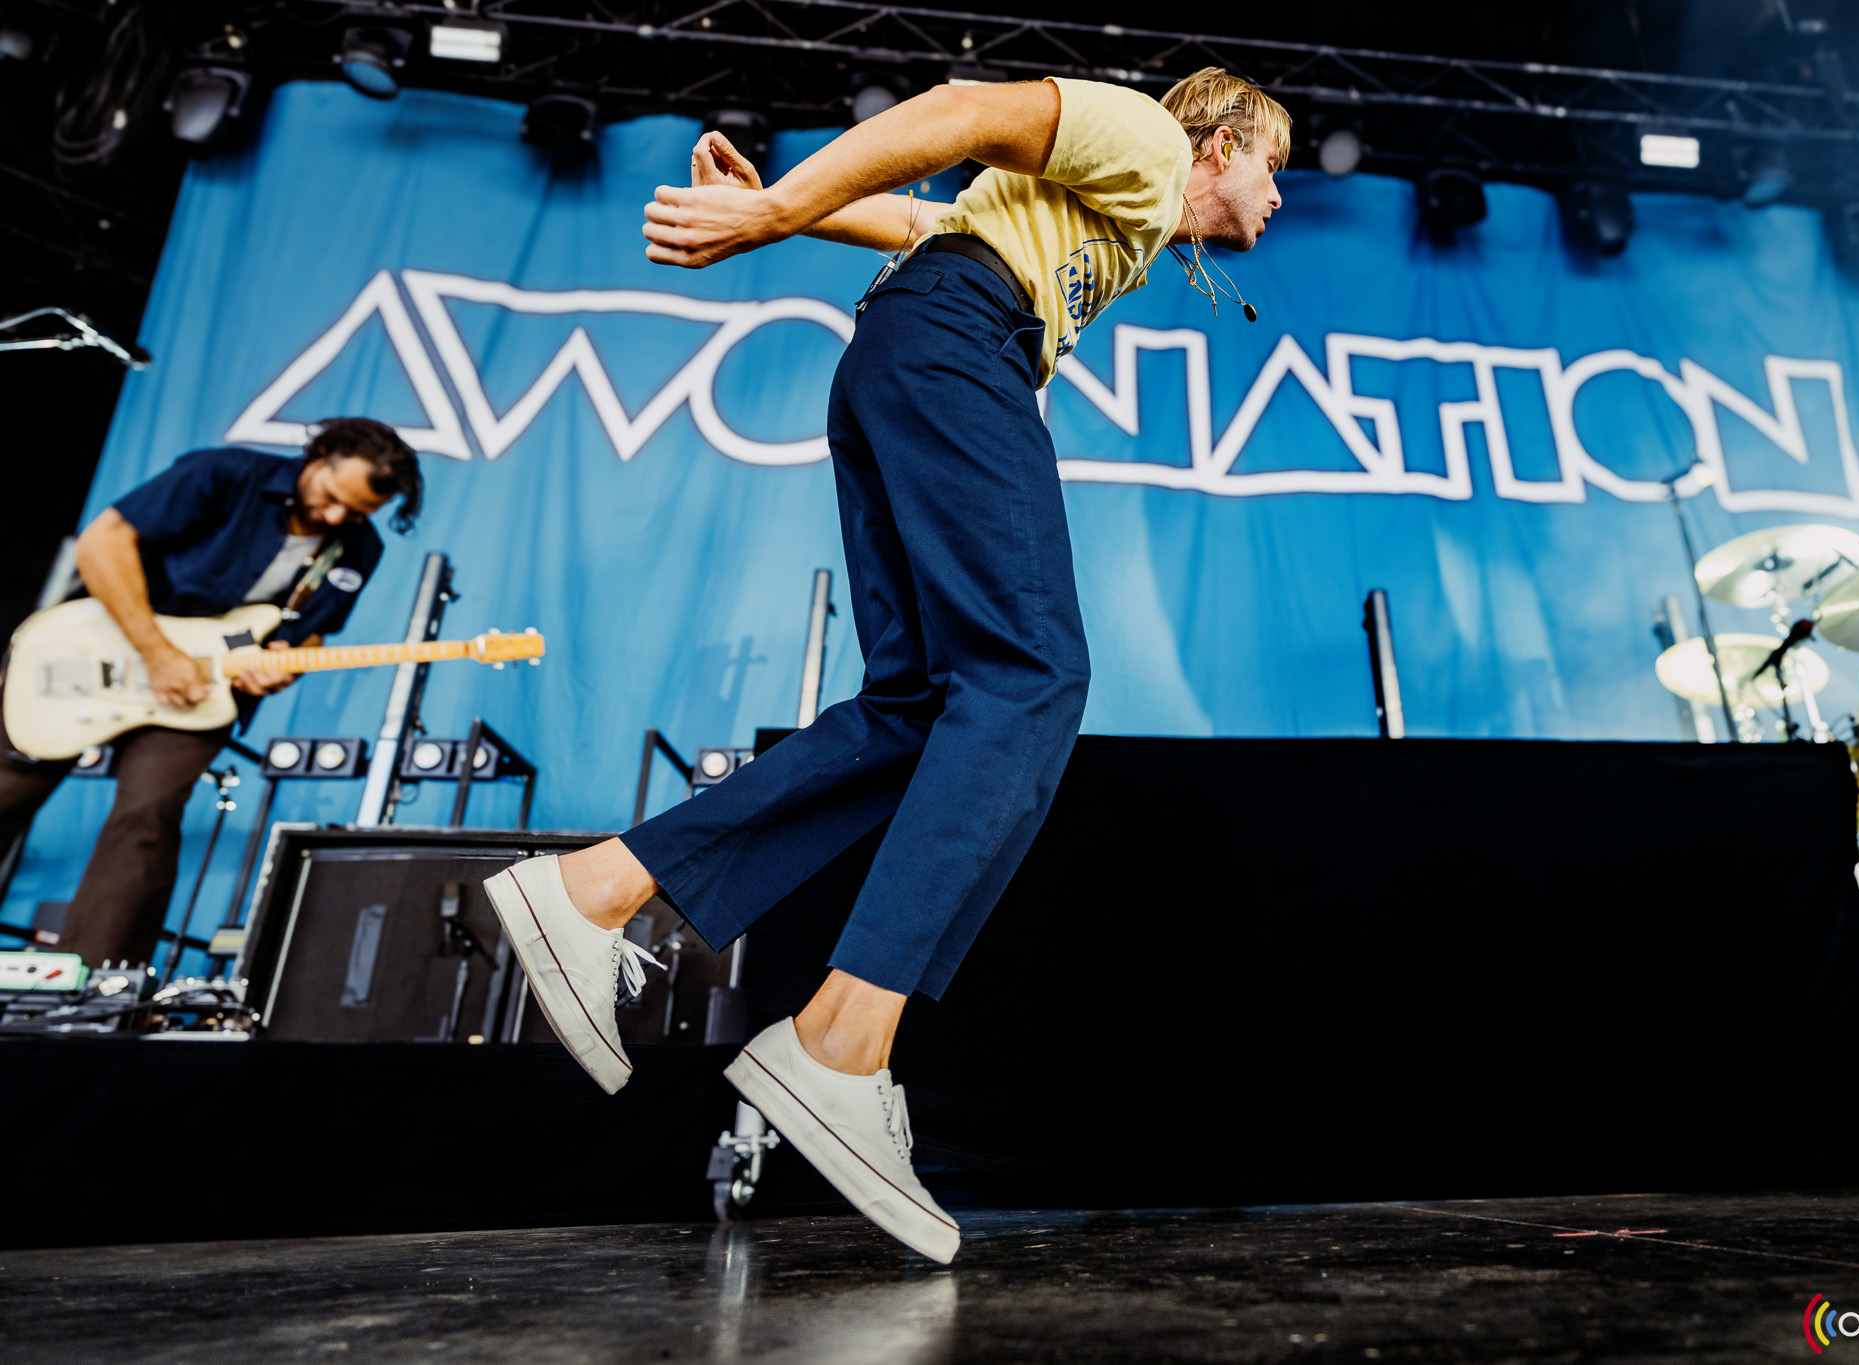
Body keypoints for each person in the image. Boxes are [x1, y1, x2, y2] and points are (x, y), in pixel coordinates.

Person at [481, 68, 1290, 1263]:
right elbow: (961, 108)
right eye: (1276, 166)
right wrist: (773, 212)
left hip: (913, 344)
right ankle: (838, 1045)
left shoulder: (1108, 219)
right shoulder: (1144, 139)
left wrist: (792, 206)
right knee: (1028, 677)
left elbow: (929, 220)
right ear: (1221, 143)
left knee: (919, 705)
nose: (1279, 199)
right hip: (955, 346)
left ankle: (594, 888)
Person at [0, 418, 422, 970]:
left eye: (358, 512)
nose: (338, 517)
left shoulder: (359, 548)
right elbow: (104, 544)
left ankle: (94, 985)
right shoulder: (222, 474)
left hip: (203, 694)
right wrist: (157, 654)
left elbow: (308, 635)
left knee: (148, 817)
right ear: (318, 454)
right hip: (102, 650)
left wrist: (280, 669)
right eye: (333, 497)